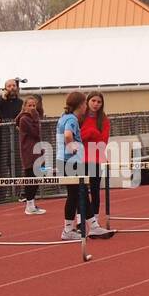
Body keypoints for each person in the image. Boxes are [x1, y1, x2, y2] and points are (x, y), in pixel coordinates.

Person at [57, 91, 89, 242]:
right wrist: (73, 148)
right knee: (74, 195)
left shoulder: (63, 117)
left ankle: (70, 228)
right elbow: (68, 135)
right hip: (71, 161)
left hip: (63, 160)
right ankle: (68, 230)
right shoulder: (72, 119)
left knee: (73, 195)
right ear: (81, 105)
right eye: (85, 104)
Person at [80, 92, 112, 236]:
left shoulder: (104, 120)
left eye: (99, 102)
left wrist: (91, 134)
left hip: (96, 157)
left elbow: (103, 140)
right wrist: (92, 132)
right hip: (81, 158)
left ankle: (95, 221)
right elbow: (78, 137)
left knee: (95, 190)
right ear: (87, 101)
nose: (96, 104)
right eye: (93, 101)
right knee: (80, 191)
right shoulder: (81, 117)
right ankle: (80, 220)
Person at [16, 95, 47, 215]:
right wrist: (35, 119)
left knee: (38, 175)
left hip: (37, 150)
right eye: (29, 105)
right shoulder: (25, 119)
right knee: (31, 176)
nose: (32, 108)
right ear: (24, 107)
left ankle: (32, 203)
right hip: (29, 151)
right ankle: (29, 204)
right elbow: (35, 133)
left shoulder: (33, 118)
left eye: (34, 105)